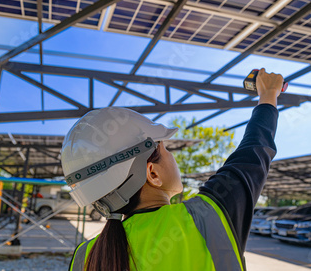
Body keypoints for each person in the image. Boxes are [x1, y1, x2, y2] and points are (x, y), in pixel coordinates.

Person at [61, 68, 284, 271]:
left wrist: (267, 96)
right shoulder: (206, 217)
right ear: (153, 174)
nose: (172, 157)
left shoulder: (84, 257)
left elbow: (254, 150)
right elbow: (254, 149)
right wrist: (269, 95)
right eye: (165, 149)